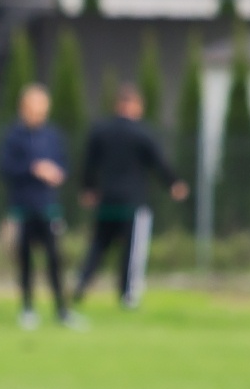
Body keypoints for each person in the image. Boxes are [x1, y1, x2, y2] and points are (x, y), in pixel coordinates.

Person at [74, 84, 187, 309]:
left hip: (106, 200)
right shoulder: (142, 133)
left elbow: (89, 164)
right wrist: (174, 184)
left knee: (98, 245)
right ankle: (127, 295)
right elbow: (159, 162)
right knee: (133, 250)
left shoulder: (100, 131)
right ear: (135, 106)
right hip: (133, 203)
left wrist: (88, 189)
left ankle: (81, 283)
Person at [0, 83, 78, 329]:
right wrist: (33, 168)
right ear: (24, 108)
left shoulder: (52, 136)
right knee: (25, 261)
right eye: (33, 107)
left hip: (48, 208)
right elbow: (4, 168)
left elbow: (63, 165)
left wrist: (57, 173)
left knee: (55, 260)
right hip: (22, 209)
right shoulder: (13, 136)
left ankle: (62, 311)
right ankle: (27, 309)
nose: (38, 112)